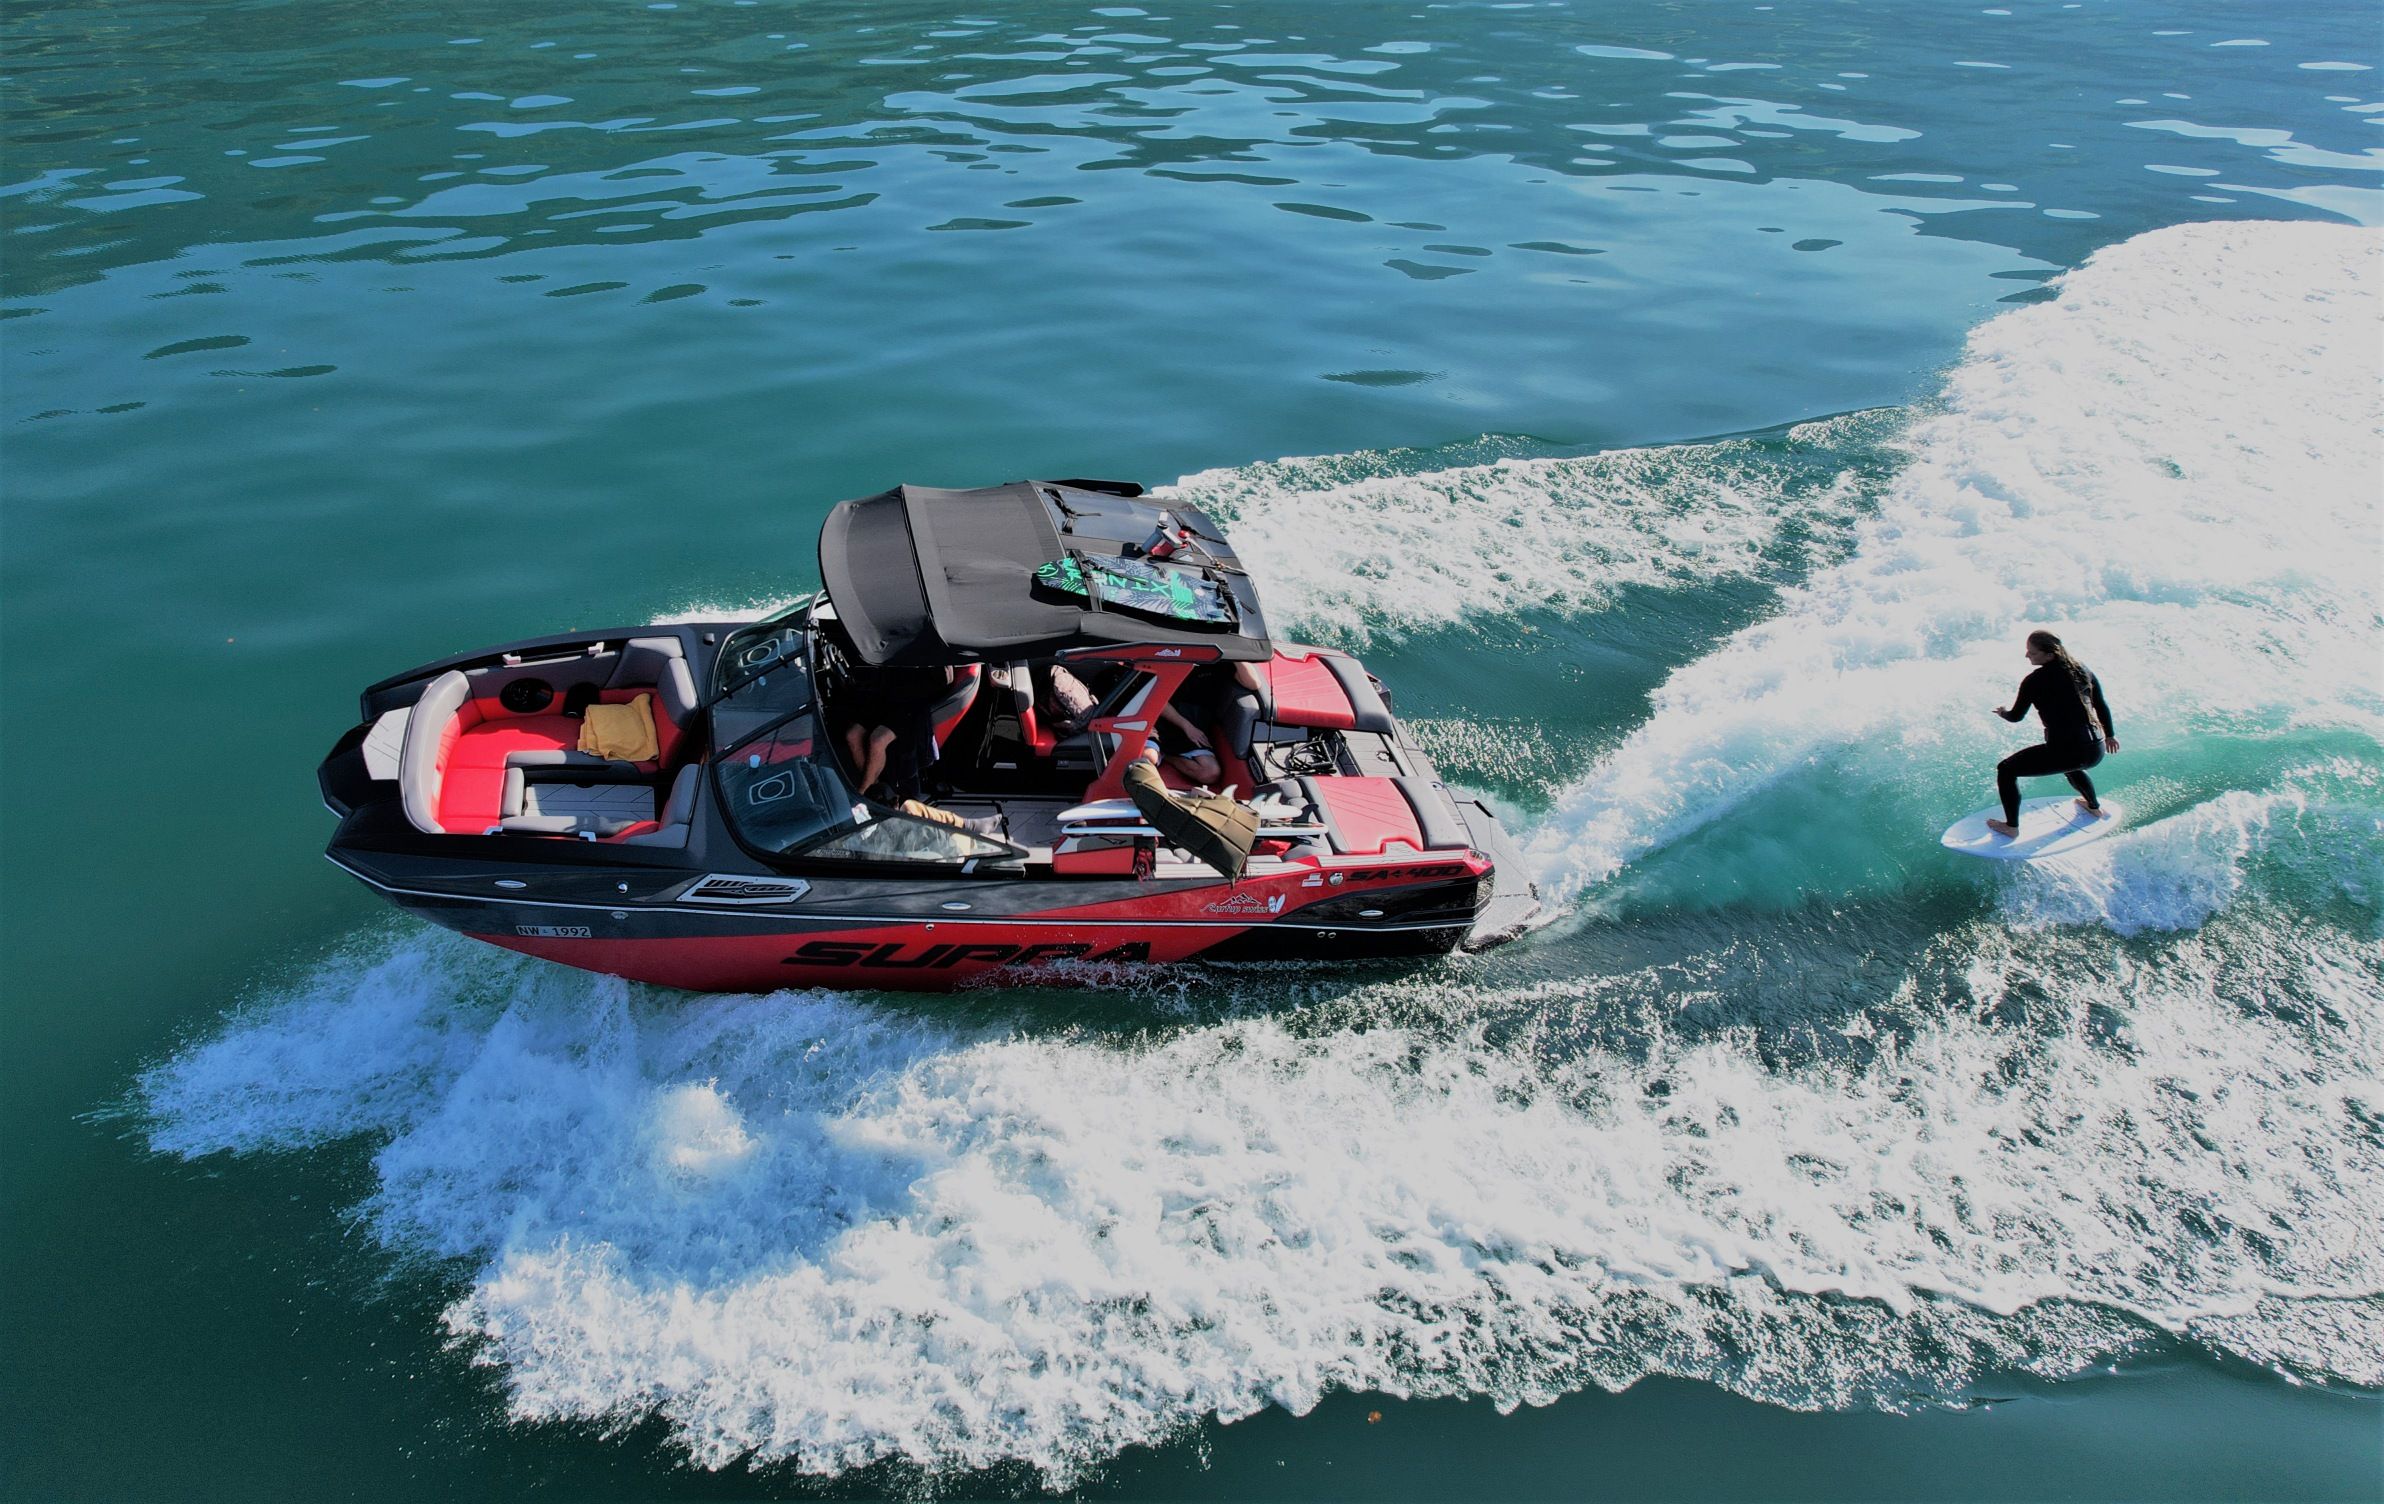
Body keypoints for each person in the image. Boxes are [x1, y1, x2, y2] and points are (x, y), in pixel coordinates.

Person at [1988, 629, 2120, 837]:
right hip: (2096, 749)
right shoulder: (2082, 669)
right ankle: (2093, 807)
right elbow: (2101, 704)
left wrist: (2003, 713)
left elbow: (2016, 717)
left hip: (2068, 751)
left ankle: (2011, 827)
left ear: (2050, 655)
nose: (2027, 656)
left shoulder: (2034, 681)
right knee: (2071, 766)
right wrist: (2110, 734)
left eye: (2032, 653)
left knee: (2006, 770)